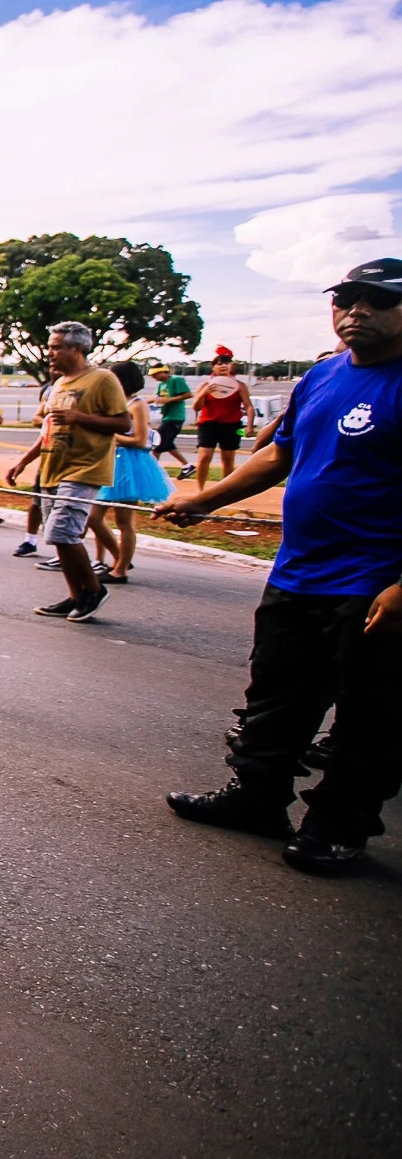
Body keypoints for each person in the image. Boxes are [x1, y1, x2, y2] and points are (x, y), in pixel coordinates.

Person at [161, 258, 402, 874]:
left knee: (370, 713)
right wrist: (201, 499)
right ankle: (257, 798)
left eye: (376, 300)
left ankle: (338, 825)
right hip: (298, 573)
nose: (356, 312)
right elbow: (276, 459)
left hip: (375, 584)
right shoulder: (321, 378)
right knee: (275, 695)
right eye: (346, 300)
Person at [12, 324, 130, 619]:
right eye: (50, 347)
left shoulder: (102, 379)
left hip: (84, 468)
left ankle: (94, 589)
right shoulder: (59, 384)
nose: (49, 354)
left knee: (62, 532)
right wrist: (24, 461)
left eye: (56, 348)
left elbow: (123, 424)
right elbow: (48, 430)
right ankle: (76, 595)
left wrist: (80, 417)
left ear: (77, 348)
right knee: (56, 536)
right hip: (52, 467)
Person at [89, 360, 171, 586]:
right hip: (109, 461)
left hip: (128, 464)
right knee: (93, 517)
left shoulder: (137, 405)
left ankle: (121, 568)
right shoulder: (114, 402)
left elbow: (140, 440)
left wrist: (109, 436)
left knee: (124, 520)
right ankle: (119, 559)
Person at [191, 347, 254, 490]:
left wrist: (250, 425)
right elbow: (196, 407)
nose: (224, 366)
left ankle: (223, 490)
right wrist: (204, 393)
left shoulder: (239, 385)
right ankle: (200, 489)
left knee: (227, 460)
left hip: (231, 425)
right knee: (204, 457)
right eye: (219, 363)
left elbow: (248, 406)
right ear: (213, 367)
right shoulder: (205, 385)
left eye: (227, 363)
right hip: (208, 424)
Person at [149, 362, 195, 478]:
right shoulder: (160, 385)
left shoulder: (176, 380)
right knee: (168, 444)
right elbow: (156, 398)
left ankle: (152, 471)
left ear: (163, 372)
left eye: (155, 374)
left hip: (175, 417)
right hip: (166, 416)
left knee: (157, 444)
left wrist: (170, 400)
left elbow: (188, 394)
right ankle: (187, 466)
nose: (153, 378)